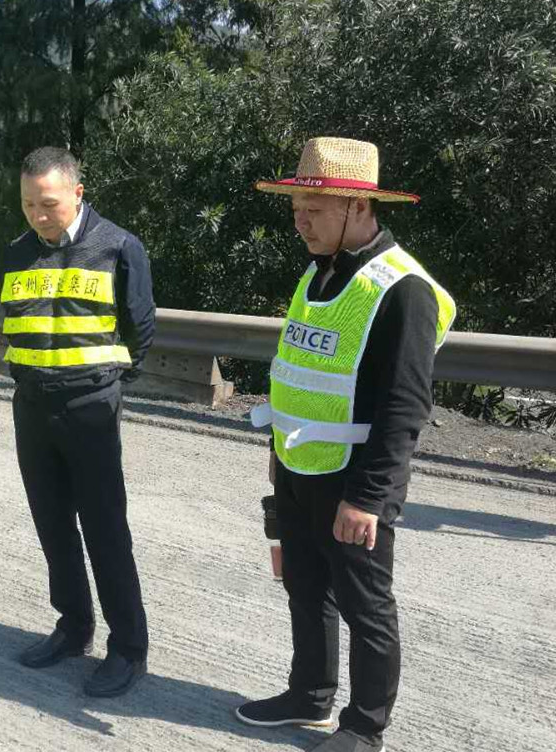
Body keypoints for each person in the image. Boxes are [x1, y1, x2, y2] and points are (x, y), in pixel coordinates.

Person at [238, 137, 456, 752]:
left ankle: (364, 727)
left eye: (313, 209)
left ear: (358, 207)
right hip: (299, 463)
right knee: (305, 587)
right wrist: (278, 458)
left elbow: (405, 406)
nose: (300, 221)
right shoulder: (321, 269)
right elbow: (300, 374)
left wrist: (368, 498)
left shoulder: (402, 289)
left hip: (354, 478)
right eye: (296, 208)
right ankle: (308, 695)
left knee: (366, 605)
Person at [0, 146, 155, 697]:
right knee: (53, 526)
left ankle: (128, 648)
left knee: (105, 530)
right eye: (28, 204)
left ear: (77, 193)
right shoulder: (17, 252)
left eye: (48, 204)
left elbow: (140, 331)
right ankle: (73, 626)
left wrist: (102, 385)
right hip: (31, 407)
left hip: (91, 409)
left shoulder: (118, 247)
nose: (38, 215)